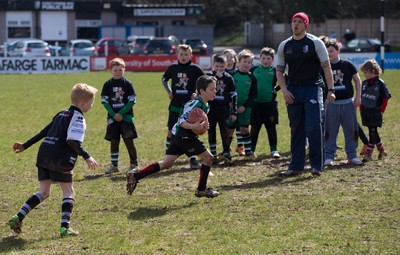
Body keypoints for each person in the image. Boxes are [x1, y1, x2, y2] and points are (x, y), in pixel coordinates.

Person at [8, 83, 99, 237]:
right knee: (68, 192)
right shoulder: (78, 118)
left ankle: (18, 217)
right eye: (91, 102)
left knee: (43, 191)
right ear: (83, 104)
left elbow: (44, 131)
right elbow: (72, 141)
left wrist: (25, 145)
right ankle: (65, 228)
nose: (92, 105)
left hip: (44, 154)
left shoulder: (61, 114)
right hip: (60, 158)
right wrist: (87, 156)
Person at [126, 75, 219, 198]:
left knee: (166, 164)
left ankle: (136, 176)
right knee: (208, 158)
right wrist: (194, 127)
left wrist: (201, 127)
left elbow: (194, 123)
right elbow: (181, 120)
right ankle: (201, 189)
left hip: (180, 135)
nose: (215, 92)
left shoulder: (205, 104)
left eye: (215, 89)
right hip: (185, 137)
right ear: (202, 91)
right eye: (211, 89)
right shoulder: (195, 104)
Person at [276, 12, 335, 177]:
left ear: (305, 25)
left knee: (314, 127)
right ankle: (296, 167)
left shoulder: (315, 43)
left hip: (313, 88)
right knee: (296, 129)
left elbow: (326, 67)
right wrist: (285, 90)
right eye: (293, 21)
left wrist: (331, 90)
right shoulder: (284, 45)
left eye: (299, 22)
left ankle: (316, 166)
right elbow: (279, 71)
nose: (295, 24)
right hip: (293, 90)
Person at [162, 44, 206, 170]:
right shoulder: (173, 68)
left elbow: (204, 80)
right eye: (181, 54)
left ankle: (192, 158)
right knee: (171, 130)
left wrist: (197, 94)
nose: (183, 57)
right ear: (177, 55)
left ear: (190, 56)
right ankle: (167, 156)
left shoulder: (195, 69)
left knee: (190, 131)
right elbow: (164, 79)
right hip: (175, 105)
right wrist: (169, 91)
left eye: (186, 54)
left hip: (189, 107)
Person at [323, 40, 362, 166]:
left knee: (351, 130)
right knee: (330, 131)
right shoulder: (323, 67)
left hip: (348, 103)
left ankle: (352, 155)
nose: (329, 54)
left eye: (331, 51)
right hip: (331, 105)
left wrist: (358, 97)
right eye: (327, 51)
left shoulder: (347, 64)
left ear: (338, 51)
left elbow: (357, 80)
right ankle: (329, 156)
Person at [101, 58, 139, 174]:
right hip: (113, 118)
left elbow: (132, 101)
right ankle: (114, 165)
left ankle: (134, 164)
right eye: (115, 70)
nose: (118, 72)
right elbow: (104, 101)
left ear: (124, 70)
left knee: (128, 140)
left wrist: (121, 113)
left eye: (120, 70)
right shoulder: (107, 84)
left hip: (126, 118)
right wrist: (113, 114)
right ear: (110, 71)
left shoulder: (127, 84)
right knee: (114, 141)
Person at [250, 47, 281, 158]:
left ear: (272, 60)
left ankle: (274, 150)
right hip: (256, 104)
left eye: (268, 58)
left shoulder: (275, 71)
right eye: (263, 58)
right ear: (260, 58)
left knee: (271, 127)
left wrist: (276, 89)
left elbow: (285, 80)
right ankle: (251, 150)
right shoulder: (254, 70)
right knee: (254, 128)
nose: (265, 60)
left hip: (270, 104)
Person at [206, 54, 237, 165]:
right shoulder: (209, 76)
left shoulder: (228, 78)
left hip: (223, 109)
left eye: (222, 67)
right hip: (211, 108)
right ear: (213, 65)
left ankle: (226, 153)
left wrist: (233, 111)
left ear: (226, 65)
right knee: (211, 130)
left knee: (225, 131)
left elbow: (233, 95)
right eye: (217, 66)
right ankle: (213, 154)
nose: (219, 69)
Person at [359, 59, 391, 162]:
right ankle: (381, 150)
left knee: (372, 131)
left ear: (373, 71)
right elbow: (361, 97)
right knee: (372, 131)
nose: (364, 74)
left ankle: (368, 154)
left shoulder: (380, 83)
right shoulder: (364, 83)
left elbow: (385, 98)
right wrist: (361, 108)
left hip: (375, 112)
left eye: (366, 72)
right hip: (365, 112)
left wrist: (382, 111)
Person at [228, 49, 258, 159]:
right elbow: (226, 92)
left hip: (245, 108)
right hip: (231, 107)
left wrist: (244, 106)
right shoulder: (231, 75)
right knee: (229, 130)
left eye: (249, 62)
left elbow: (253, 95)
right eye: (244, 61)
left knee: (244, 129)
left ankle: (249, 152)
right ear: (239, 61)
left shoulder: (252, 78)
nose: (246, 64)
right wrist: (230, 105)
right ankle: (226, 152)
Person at [222, 48, 245, 156]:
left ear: (235, 59)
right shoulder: (222, 73)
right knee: (229, 128)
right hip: (226, 104)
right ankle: (227, 146)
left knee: (240, 126)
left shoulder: (238, 71)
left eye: (231, 56)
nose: (229, 59)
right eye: (227, 57)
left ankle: (240, 147)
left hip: (239, 103)